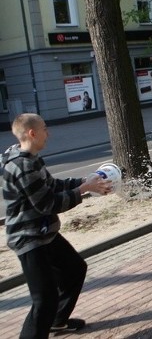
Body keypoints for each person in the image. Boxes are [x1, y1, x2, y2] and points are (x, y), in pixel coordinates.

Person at [1, 113, 113, 338]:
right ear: (32, 133)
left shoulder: (32, 158)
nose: (48, 133)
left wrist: (84, 181)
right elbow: (48, 204)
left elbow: (52, 185)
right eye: (44, 128)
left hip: (44, 233)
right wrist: (84, 190)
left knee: (74, 269)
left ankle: (57, 322)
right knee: (44, 299)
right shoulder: (22, 166)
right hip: (29, 239)